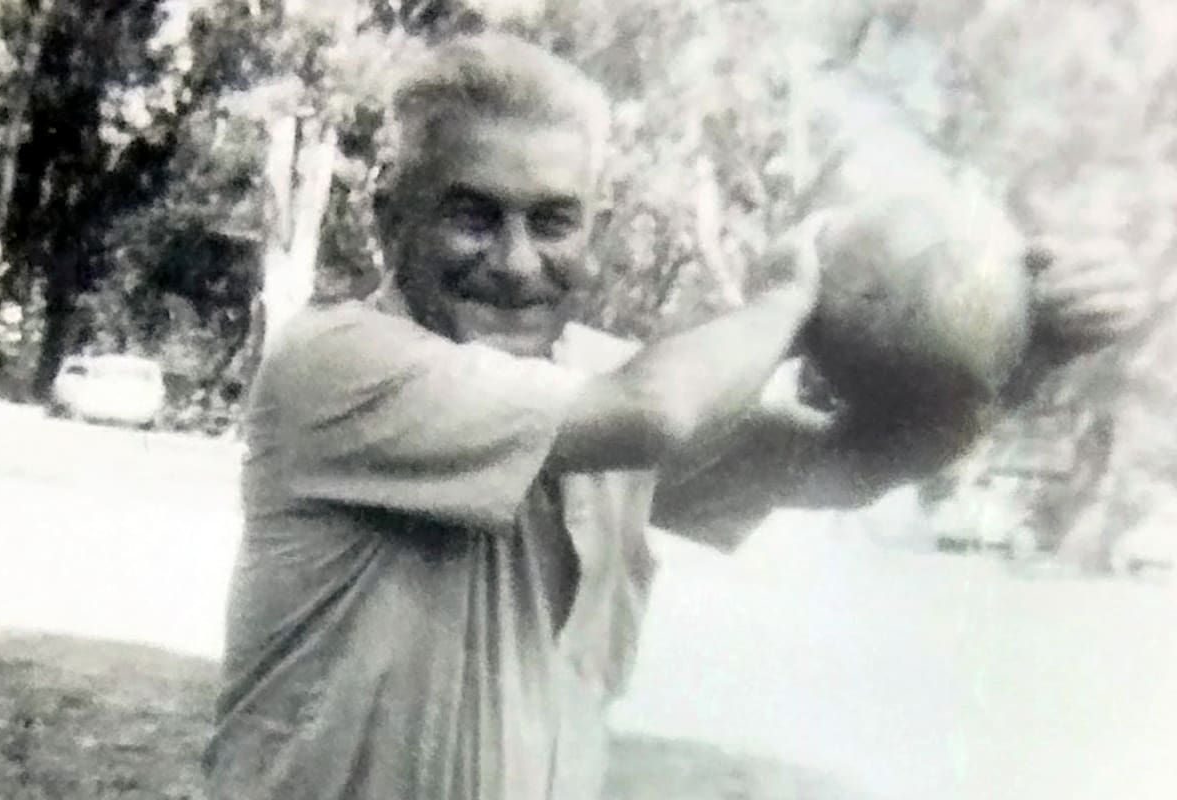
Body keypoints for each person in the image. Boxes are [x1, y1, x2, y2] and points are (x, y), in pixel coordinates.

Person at [202, 33, 1143, 800]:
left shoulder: (598, 382)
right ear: (385, 215)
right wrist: (791, 301)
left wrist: (1024, 351)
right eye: (474, 215)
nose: (518, 261)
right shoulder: (335, 363)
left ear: (593, 227)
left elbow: (854, 464)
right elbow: (652, 411)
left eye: (554, 219)